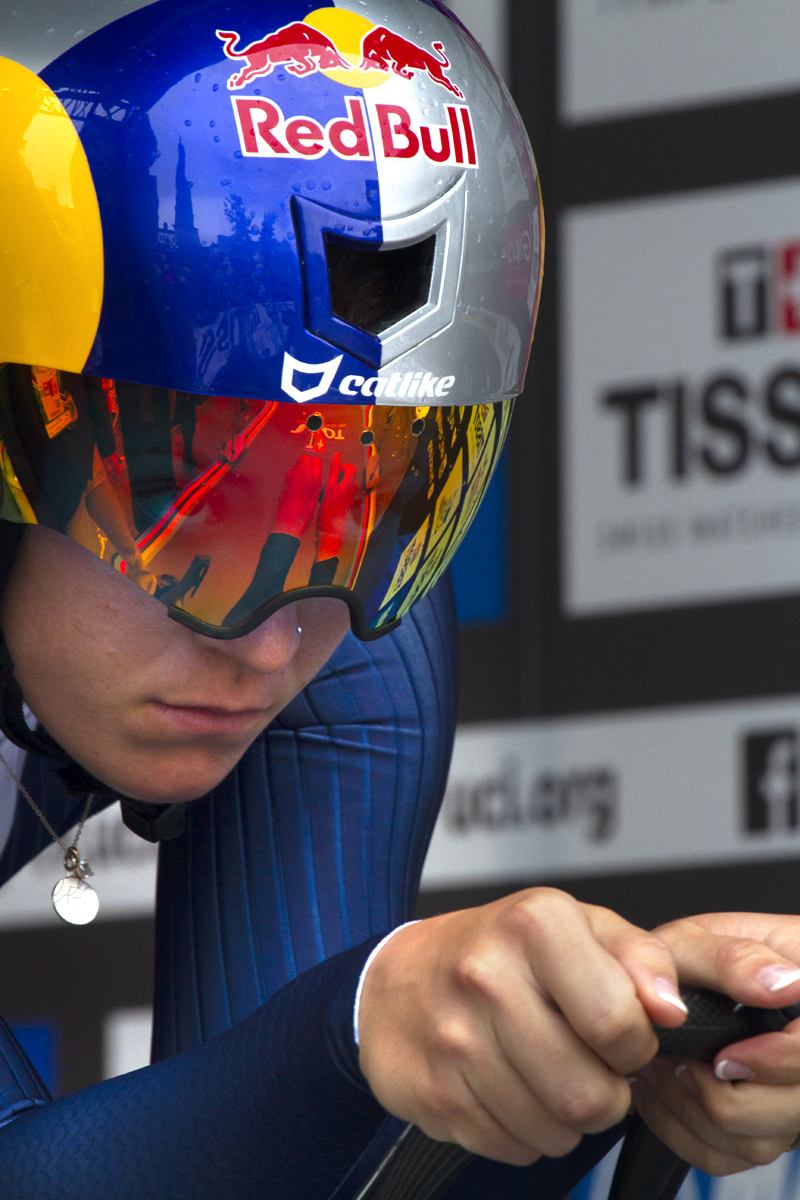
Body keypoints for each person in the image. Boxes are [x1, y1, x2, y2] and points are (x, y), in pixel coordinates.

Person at [2, 3, 800, 1198]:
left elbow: (282, 1180)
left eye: (372, 510)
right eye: (194, 513)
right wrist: (360, 1024)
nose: (275, 645)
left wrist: (593, 1060)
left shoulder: (354, 632)